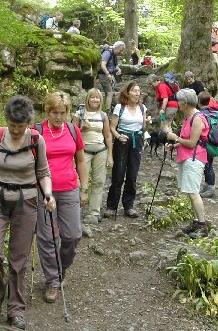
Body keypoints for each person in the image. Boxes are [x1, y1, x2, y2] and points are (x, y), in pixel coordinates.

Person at [0, 95, 55, 330]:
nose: (16, 130)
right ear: (7, 120)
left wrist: (48, 194)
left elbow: (43, 172)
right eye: (12, 125)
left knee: (18, 260)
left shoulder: (37, 140)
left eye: (20, 126)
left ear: (28, 122)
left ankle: (16, 310)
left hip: (26, 204)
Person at [34, 91, 88, 303]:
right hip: (43, 192)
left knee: (73, 235)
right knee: (47, 237)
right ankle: (52, 282)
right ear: (48, 112)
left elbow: (81, 161)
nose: (58, 117)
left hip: (68, 189)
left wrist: (84, 188)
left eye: (62, 112)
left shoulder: (74, 130)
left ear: (67, 112)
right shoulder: (36, 132)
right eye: (54, 112)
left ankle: (61, 268)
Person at [165, 88, 210, 238]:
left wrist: (174, 138)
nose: (176, 103)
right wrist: (174, 145)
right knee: (190, 192)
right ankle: (196, 221)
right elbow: (189, 141)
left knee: (193, 192)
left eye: (178, 101)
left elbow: (192, 143)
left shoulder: (197, 119)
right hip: (187, 157)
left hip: (194, 159)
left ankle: (202, 225)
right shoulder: (187, 117)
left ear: (185, 103)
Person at [104, 82, 152, 219]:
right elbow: (112, 127)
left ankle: (128, 206)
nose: (137, 93)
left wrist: (147, 124)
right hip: (122, 141)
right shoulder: (120, 107)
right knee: (118, 174)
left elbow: (143, 129)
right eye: (134, 91)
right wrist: (118, 136)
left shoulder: (142, 108)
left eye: (139, 91)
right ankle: (111, 206)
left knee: (132, 174)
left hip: (137, 141)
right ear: (127, 92)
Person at [72, 88, 113, 223]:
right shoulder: (79, 114)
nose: (95, 100)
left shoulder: (103, 115)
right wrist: (82, 129)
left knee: (99, 181)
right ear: (88, 99)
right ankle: (74, 211)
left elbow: (107, 136)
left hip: (101, 151)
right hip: (83, 152)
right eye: (92, 97)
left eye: (98, 98)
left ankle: (94, 212)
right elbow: (72, 133)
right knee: (78, 181)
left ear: (101, 100)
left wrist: (110, 155)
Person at [197, 91, 218, 199]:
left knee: (207, 166)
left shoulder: (202, 114)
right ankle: (208, 186)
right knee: (208, 165)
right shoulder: (215, 113)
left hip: (206, 143)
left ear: (199, 102)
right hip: (214, 143)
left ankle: (210, 188)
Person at [98, 41, 126, 111]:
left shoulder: (114, 54)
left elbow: (115, 65)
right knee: (109, 93)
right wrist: (108, 74)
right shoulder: (108, 53)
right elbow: (102, 65)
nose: (121, 52)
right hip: (104, 75)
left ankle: (106, 109)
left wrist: (119, 69)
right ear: (117, 47)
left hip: (109, 75)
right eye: (121, 50)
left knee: (110, 93)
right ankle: (107, 111)